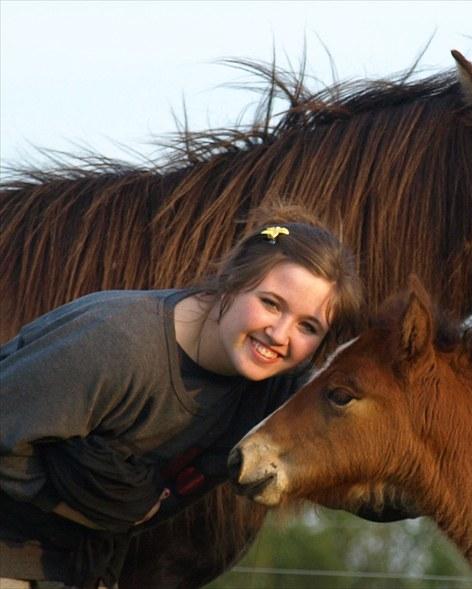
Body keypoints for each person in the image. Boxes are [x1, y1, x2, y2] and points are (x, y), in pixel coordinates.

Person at [0, 204, 363, 588]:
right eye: (271, 303)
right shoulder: (115, 343)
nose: (280, 334)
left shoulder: (276, 393)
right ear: (232, 281)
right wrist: (78, 503)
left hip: (83, 567)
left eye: (308, 326)